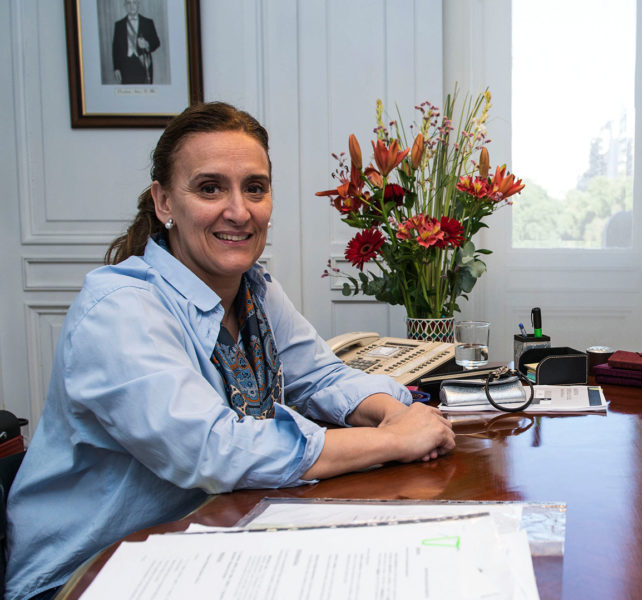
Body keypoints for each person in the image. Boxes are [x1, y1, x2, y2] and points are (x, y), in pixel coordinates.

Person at [3, 102, 455, 600]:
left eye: (254, 188)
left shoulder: (254, 289)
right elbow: (212, 451)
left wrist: (398, 416)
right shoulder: (120, 310)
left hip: (200, 550)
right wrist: (394, 442)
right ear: (164, 202)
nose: (239, 211)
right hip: (81, 578)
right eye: (210, 187)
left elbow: (321, 378)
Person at [112, 0, 160, 84]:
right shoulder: (119, 25)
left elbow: (156, 42)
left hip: (143, 64)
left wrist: (147, 44)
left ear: (138, 4)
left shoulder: (148, 22)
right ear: (125, 6)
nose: (132, 6)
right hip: (125, 65)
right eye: (128, 3)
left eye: (134, 2)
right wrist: (116, 68)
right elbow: (115, 48)